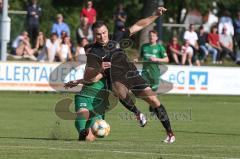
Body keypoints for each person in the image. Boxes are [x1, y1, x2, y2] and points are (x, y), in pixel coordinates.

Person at [80, 7, 175, 143]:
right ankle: (137, 113)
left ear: (107, 31)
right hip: (115, 79)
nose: (102, 36)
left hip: (132, 75)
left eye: (104, 32)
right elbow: (89, 74)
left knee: (154, 101)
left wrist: (155, 14)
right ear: (94, 35)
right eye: (98, 34)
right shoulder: (93, 51)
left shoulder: (117, 37)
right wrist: (99, 68)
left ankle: (170, 134)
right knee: (117, 87)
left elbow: (138, 26)